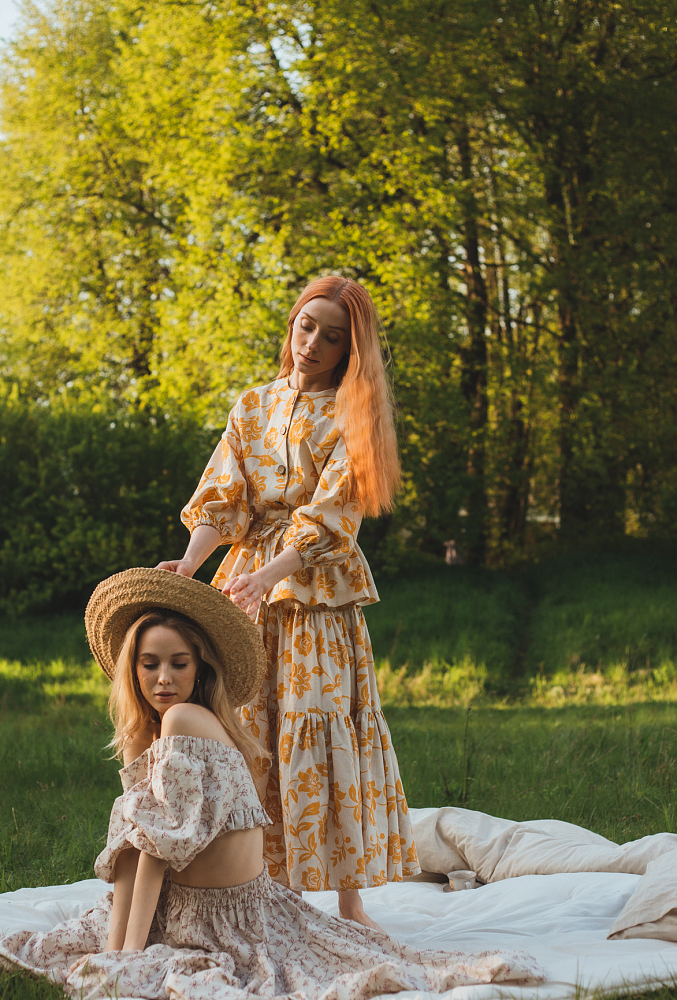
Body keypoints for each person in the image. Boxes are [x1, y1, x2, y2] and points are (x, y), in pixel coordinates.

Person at [0, 567, 543, 1000]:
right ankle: (121, 946)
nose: (163, 678)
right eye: (150, 664)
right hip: (193, 907)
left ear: (200, 667)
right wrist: (119, 950)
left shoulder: (185, 721)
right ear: (133, 669)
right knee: (105, 927)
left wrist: (125, 960)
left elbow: (154, 848)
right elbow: (135, 852)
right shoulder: (153, 733)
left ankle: (124, 950)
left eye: (178, 663)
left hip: (231, 917)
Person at [156, 275, 419, 928]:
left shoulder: (352, 416)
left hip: (313, 590)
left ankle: (350, 902)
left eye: (333, 337)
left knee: (317, 723)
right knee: (245, 725)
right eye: (307, 326)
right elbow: (225, 496)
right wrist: (190, 564)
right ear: (293, 324)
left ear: (349, 348)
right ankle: (253, 887)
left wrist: (268, 574)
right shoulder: (252, 405)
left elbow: (331, 519)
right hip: (246, 582)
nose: (313, 344)